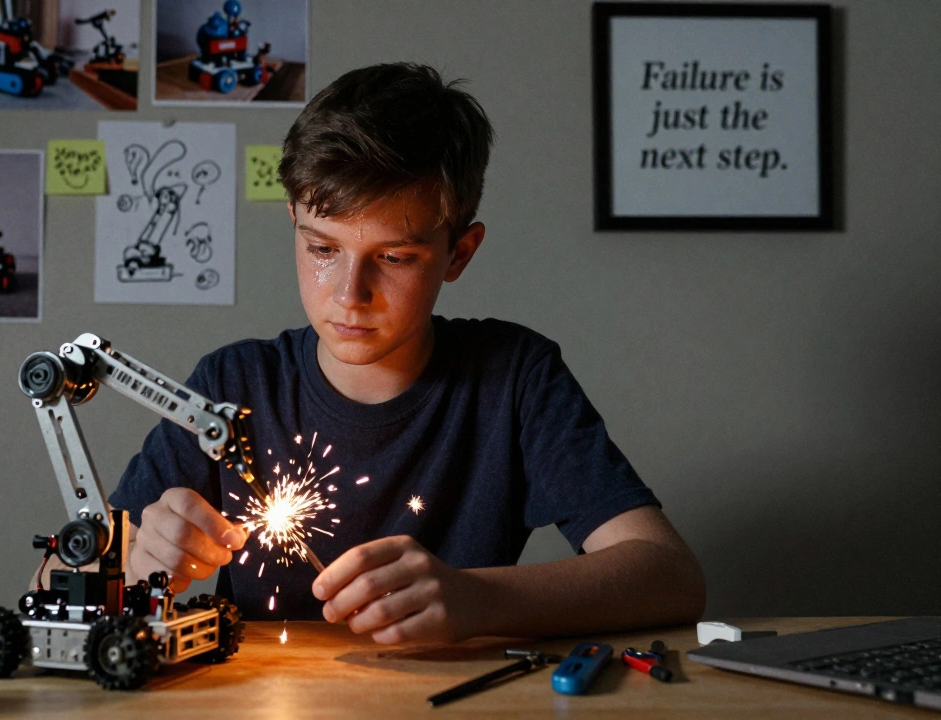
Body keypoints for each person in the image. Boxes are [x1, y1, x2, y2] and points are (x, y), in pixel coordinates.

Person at [50, 63, 705, 644]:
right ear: (294, 225)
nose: (349, 294)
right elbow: (50, 580)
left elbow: (671, 576)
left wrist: (478, 599)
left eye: (394, 257)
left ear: (461, 252)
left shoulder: (514, 380)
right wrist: (130, 565)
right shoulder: (231, 385)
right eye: (322, 249)